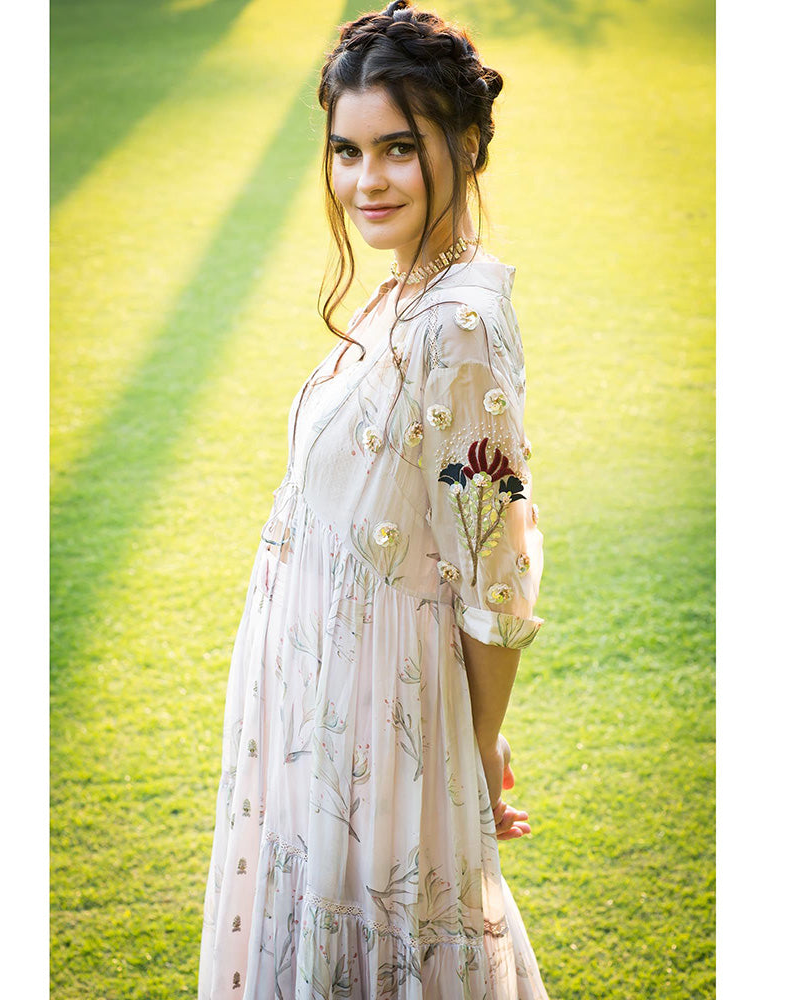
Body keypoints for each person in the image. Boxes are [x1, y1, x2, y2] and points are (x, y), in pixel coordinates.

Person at [198, 2, 549, 996]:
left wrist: (471, 748)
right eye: (346, 152)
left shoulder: (458, 325)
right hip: (320, 700)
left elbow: (494, 576)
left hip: (378, 720)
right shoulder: (404, 288)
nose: (366, 181)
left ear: (465, 143)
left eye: (398, 148)